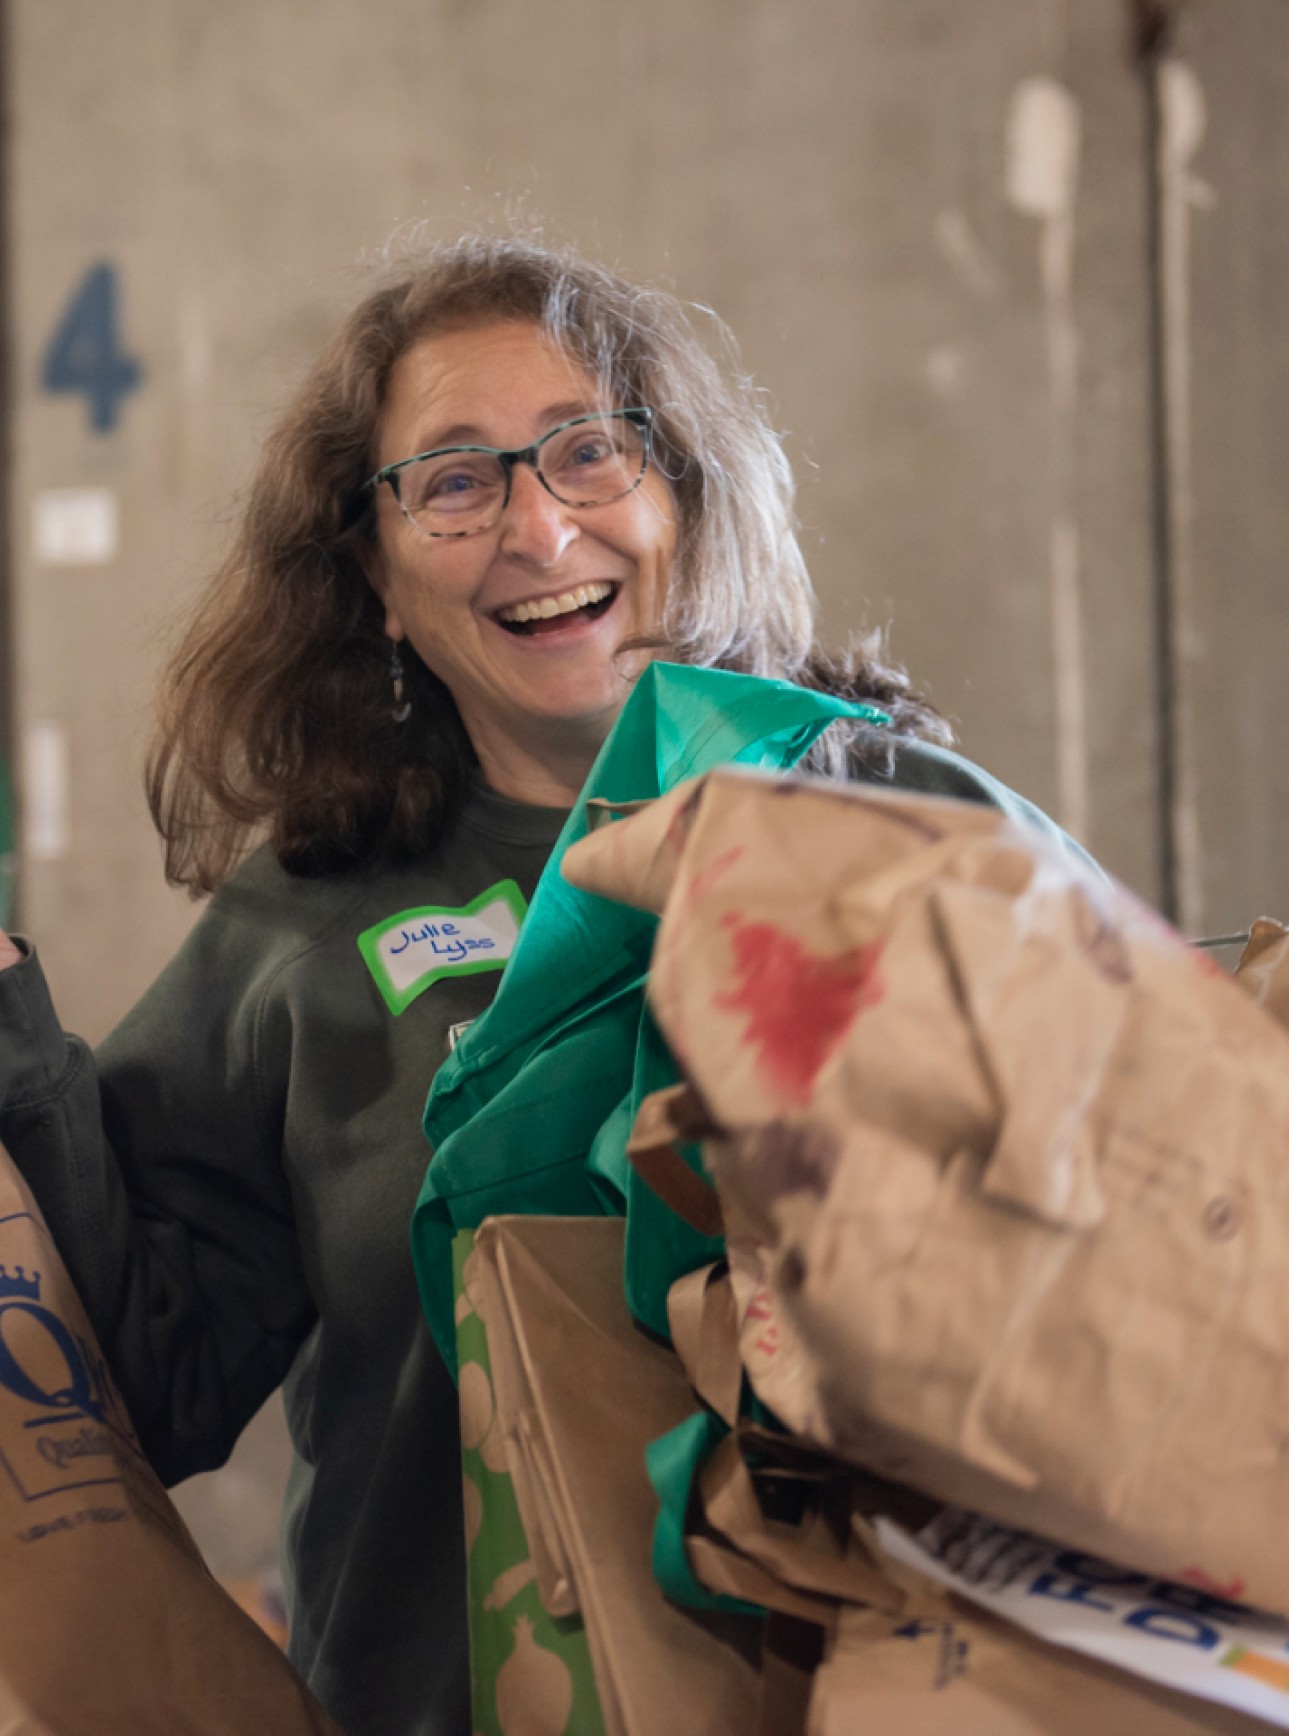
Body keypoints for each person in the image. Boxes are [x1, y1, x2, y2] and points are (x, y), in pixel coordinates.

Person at [0, 234, 1087, 1736]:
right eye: (451, 481)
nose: (536, 524)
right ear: (373, 583)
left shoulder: (908, 820)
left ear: (680, 500)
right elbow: (143, 1380)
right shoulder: (304, 935)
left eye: (588, 452)